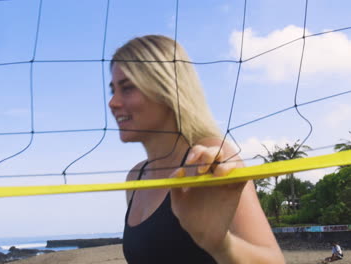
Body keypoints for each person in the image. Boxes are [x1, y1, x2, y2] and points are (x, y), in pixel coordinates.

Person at [108, 35, 285, 263]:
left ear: (165, 88)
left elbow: (274, 260)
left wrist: (222, 245)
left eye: (128, 88)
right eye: (113, 90)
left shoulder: (209, 158)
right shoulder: (135, 178)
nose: (113, 102)